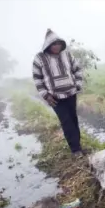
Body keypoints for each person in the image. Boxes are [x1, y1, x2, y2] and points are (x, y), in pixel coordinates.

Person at [32, 28, 85, 157]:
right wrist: (46, 95)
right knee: (66, 121)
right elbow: (37, 79)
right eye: (54, 44)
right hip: (54, 98)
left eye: (59, 43)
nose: (57, 46)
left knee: (73, 119)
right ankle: (75, 150)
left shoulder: (67, 55)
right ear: (48, 45)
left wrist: (77, 85)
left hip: (71, 94)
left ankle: (78, 145)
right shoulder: (39, 58)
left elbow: (77, 70)